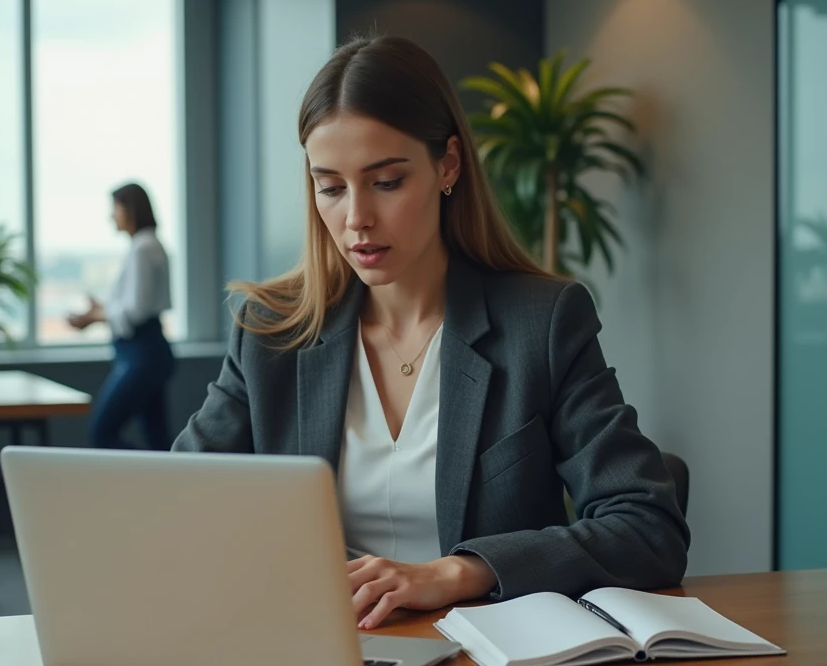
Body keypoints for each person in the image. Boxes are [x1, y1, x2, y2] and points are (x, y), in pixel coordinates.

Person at [173, 35, 689, 629]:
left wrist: (458, 571)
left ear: (447, 165)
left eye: (386, 182)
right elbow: (184, 509)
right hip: (325, 656)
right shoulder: (269, 334)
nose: (356, 218)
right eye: (331, 187)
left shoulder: (541, 324)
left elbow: (649, 525)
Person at [69, 182, 174, 450]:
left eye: (115, 208)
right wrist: (101, 310)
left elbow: (137, 310)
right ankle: (163, 486)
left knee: (102, 432)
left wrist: (95, 317)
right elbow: (139, 304)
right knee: (157, 439)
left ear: (131, 210)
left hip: (141, 353)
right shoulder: (148, 245)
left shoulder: (142, 248)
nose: (111, 216)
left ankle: (140, 480)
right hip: (148, 350)